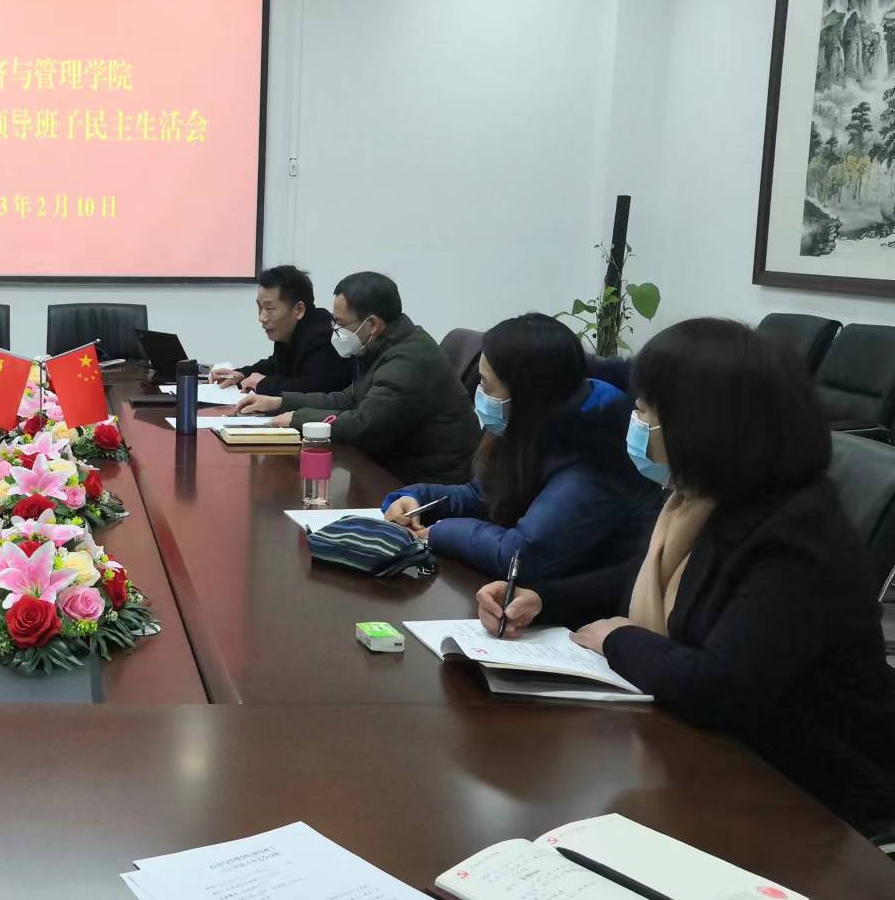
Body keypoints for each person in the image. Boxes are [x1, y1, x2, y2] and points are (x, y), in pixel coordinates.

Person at [477, 318, 895, 840]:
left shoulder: (796, 531)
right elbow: (637, 583)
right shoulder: (700, 497)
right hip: (709, 752)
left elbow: (718, 687)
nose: (633, 422)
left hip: (810, 797)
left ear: (699, 425)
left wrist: (617, 638)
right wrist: (543, 599)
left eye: (643, 411)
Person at [380, 314, 661, 578]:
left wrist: (439, 532)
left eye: (486, 385)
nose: (479, 393)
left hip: (576, 604)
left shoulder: (596, 458)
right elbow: (483, 495)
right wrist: (416, 498)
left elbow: (521, 554)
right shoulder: (535, 423)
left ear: (526, 393)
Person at [235, 271, 479, 484]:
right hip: (394, 467)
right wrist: (280, 402)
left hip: (425, 483)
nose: (335, 331)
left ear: (371, 324)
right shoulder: (380, 346)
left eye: (340, 324)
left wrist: (297, 419)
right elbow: (348, 398)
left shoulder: (408, 359)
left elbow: (364, 425)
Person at [208, 264, 352, 397]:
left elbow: (314, 389)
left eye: (269, 308)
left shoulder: (324, 336)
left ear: (299, 309)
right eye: (260, 308)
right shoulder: (293, 329)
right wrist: (241, 374)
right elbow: (276, 365)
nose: (262, 318)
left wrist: (263, 383)